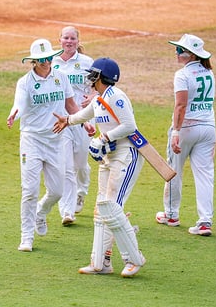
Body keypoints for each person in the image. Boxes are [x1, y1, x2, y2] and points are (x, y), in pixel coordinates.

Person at [53, 57, 146, 277]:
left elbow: (130, 126)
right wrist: (67, 120)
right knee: (101, 208)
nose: (89, 78)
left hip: (126, 156)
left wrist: (104, 138)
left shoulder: (117, 97)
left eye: (93, 74)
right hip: (109, 158)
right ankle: (100, 263)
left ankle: (134, 258)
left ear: (102, 77)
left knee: (112, 207)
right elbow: (82, 116)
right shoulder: (99, 100)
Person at [6, 38, 83, 252]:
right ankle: (26, 237)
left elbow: (71, 105)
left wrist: (84, 124)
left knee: (57, 192)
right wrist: (15, 114)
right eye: (41, 59)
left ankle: (41, 212)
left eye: (48, 58)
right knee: (29, 190)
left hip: (56, 141)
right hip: (31, 140)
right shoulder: (25, 82)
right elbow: (19, 103)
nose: (46, 62)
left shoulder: (61, 77)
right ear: (33, 61)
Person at [155, 34, 216, 236]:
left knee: (174, 170)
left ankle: (171, 215)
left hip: (187, 128)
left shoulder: (182, 75)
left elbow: (180, 106)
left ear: (189, 55)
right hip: (208, 129)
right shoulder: (209, 72)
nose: (176, 52)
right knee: (205, 175)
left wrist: (176, 132)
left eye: (180, 50)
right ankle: (205, 221)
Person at [51, 26, 94, 224]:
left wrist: (92, 97)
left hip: (84, 117)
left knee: (81, 165)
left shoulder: (86, 62)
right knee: (66, 167)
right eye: (65, 38)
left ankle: (81, 191)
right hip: (62, 120)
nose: (69, 41)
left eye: (72, 38)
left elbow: (99, 87)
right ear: (59, 39)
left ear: (78, 41)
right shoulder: (52, 62)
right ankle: (66, 211)